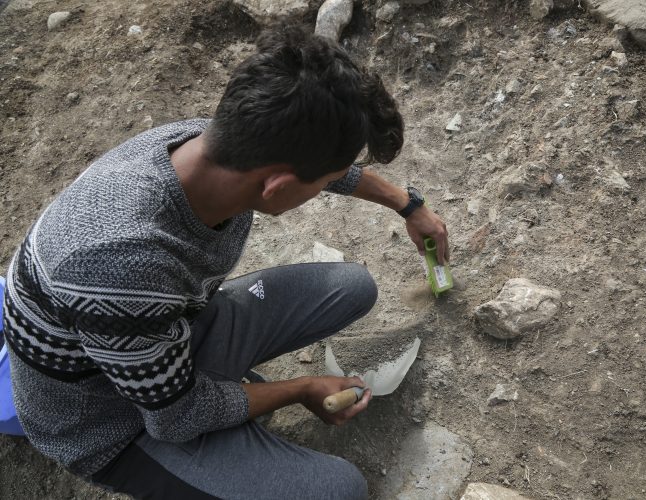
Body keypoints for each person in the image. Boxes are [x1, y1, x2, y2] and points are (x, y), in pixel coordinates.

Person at [1, 26, 449, 499]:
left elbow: (318, 165)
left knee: (353, 287)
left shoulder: (201, 141)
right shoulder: (120, 266)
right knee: (341, 490)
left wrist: (408, 206)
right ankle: (217, 425)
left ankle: (223, 399)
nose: (327, 187)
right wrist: (300, 389)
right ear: (275, 187)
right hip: (112, 419)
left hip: (163, 332)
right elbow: (177, 417)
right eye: (321, 184)